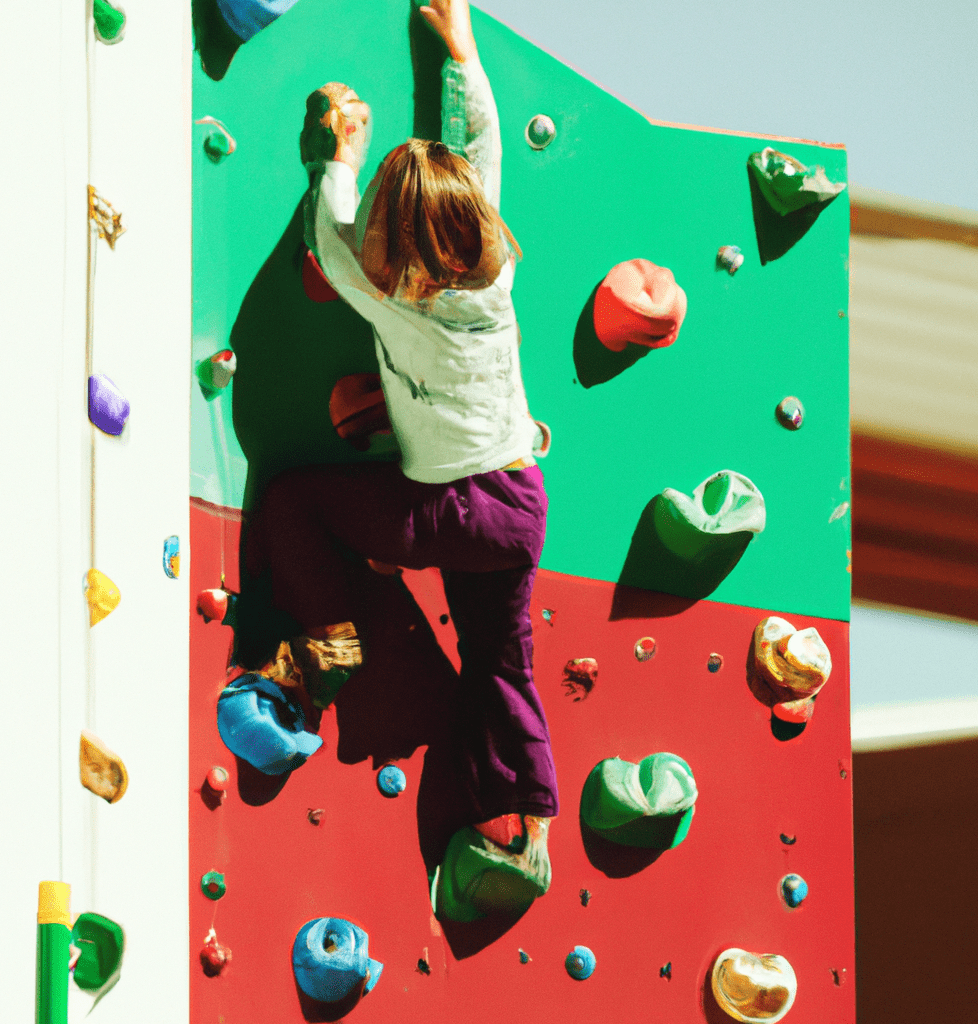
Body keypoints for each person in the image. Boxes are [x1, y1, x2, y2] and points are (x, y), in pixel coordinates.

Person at [239, 0, 557, 920]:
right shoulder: (492, 267)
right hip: (515, 504)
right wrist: (461, 48)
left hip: (441, 509)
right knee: (504, 663)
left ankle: (332, 635)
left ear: (400, 256)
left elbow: (330, 248)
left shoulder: (391, 298)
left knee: (297, 503)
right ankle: (521, 821)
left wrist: (336, 154)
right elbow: (483, 139)